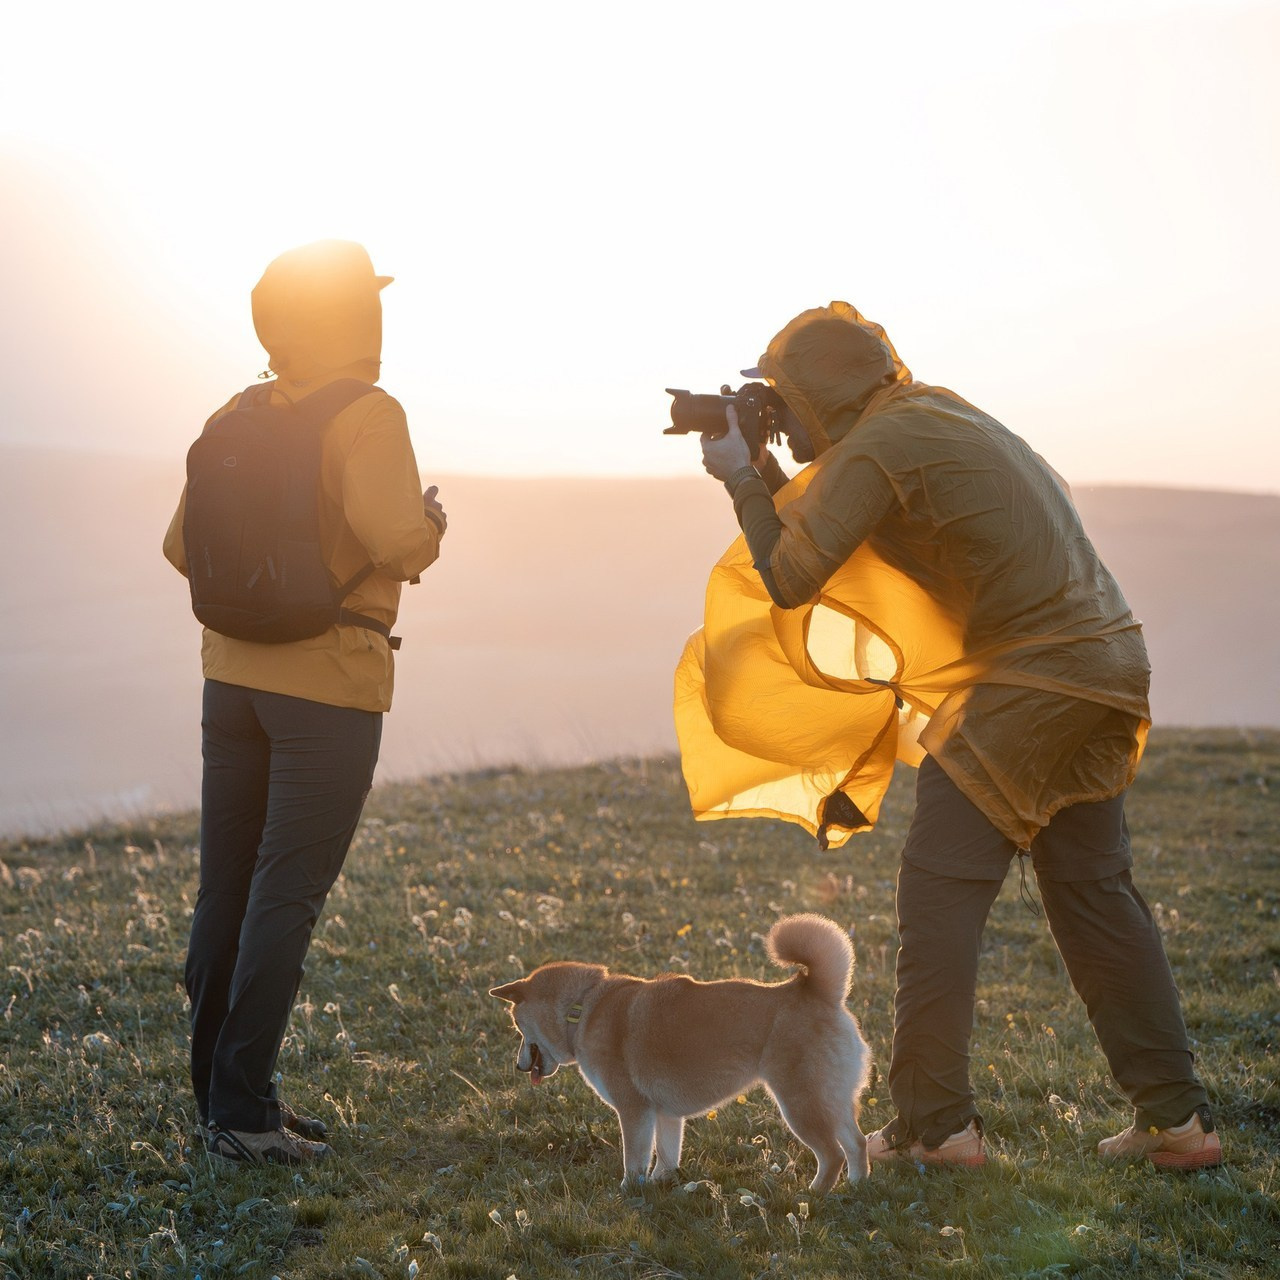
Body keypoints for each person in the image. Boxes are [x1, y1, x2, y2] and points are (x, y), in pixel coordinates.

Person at [691, 301, 1220, 1170]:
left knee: (937, 895)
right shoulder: (936, 413)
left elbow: (789, 576)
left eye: (784, 397)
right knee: (1094, 895)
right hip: (1108, 663)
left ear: (818, 391)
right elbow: (853, 500)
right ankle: (1179, 1122)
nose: (784, 413)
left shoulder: (878, 446)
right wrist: (773, 461)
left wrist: (741, 477)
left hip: (1030, 681)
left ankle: (934, 1130)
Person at [162, 240, 447, 1165]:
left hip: (229, 679)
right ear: (354, 321)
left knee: (226, 893)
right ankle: (243, 1118)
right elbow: (402, 541)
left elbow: (179, 548)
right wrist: (432, 523)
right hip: (326, 687)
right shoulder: (368, 413)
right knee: (286, 897)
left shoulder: (233, 413)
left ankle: (226, 1103)